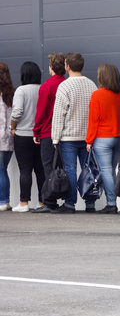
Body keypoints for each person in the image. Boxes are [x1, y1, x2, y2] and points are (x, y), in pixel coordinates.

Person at [51, 53, 98, 213]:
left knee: (70, 169)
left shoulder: (64, 86)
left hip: (69, 136)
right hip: (88, 137)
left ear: (68, 66)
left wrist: (55, 138)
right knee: (89, 169)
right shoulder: (91, 84)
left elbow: (59, 114)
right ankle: (90, 204)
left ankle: (70, 204)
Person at [85, 63, 120, 214]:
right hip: (117, 138)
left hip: (102, 138)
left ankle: (111, 203)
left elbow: (93, 120)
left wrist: (89, 140)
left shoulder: (97, 94)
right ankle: (113, 202)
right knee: (111, 171)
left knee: (106, 171)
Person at [32, 53, 67, 213]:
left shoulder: (47, 86)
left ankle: (49, 201)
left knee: (48, 168)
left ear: (51, 67)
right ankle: (63, 198)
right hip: (65, 134)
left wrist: (36, 131)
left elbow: (41, 112)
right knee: (62, 167)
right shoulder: (66, 84)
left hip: (48, 132)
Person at [9, 62, 44, 212]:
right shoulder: (42, 89)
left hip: (22, 134)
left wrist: (12, 126)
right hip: (41, 135)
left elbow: (17, 112)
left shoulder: (21, 90)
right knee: (40, 169)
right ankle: (42, 203)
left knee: (25, 170)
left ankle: (24, 203)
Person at [0, 63, 12, 211]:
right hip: (10, 138)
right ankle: (6, 200)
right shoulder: (12, 93)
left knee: (1, 170)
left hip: (0, 138)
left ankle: (2, 201)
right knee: (4, 169)